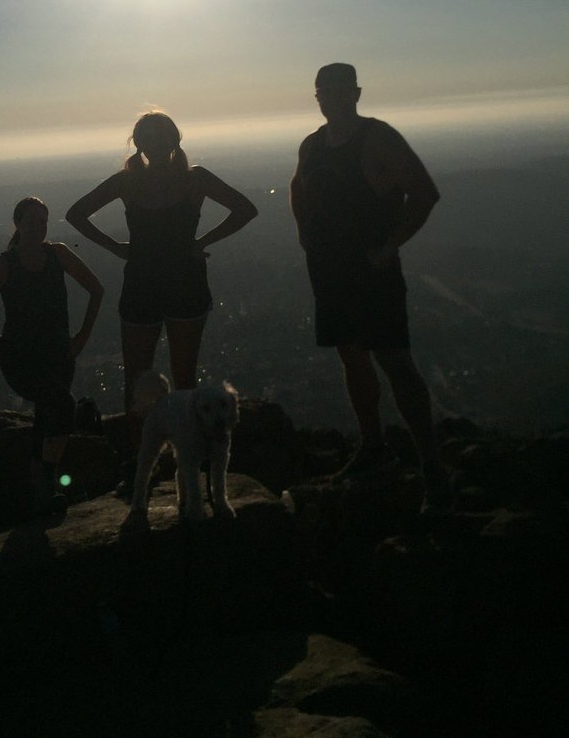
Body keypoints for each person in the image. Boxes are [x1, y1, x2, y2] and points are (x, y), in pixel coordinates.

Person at [289, 64, 449, 507]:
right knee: (351, 356)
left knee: (394, 360)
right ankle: (373, 447)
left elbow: (424, 193)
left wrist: (389, 246)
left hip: (372, 271)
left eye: (341, 91)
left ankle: (432, 467)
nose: (333, 98)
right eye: (325, 92)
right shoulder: (312, 145)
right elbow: (297, 188)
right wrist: (304, 234)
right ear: (317, 97)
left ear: (356, 94)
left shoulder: (379, 138)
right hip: (330, 270)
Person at [65, 110, 258, 438]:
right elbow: (76, 214)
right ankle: (150, 452)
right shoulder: (152, 180)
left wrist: (202, 241)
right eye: (148, 137)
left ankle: (174, 452)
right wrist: (116, 246)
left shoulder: (184, 179)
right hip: (161, 282)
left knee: (169, 378)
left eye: (160, 135)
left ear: (173, 139)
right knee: (147, 379)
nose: (154, 142)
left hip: (165, 282)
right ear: (139, 143)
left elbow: (246, 209)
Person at [0, 197, 104, 516]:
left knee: (46, 418)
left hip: (58, 354)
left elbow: (97, 289)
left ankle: (39, 494)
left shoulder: (58, 254)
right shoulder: (5, 265)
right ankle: (48, 483)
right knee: (62, 405)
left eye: (43, 221)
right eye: (31, 221)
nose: (38, 227)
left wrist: (82, 336)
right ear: (17, 224)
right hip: (21, 359)